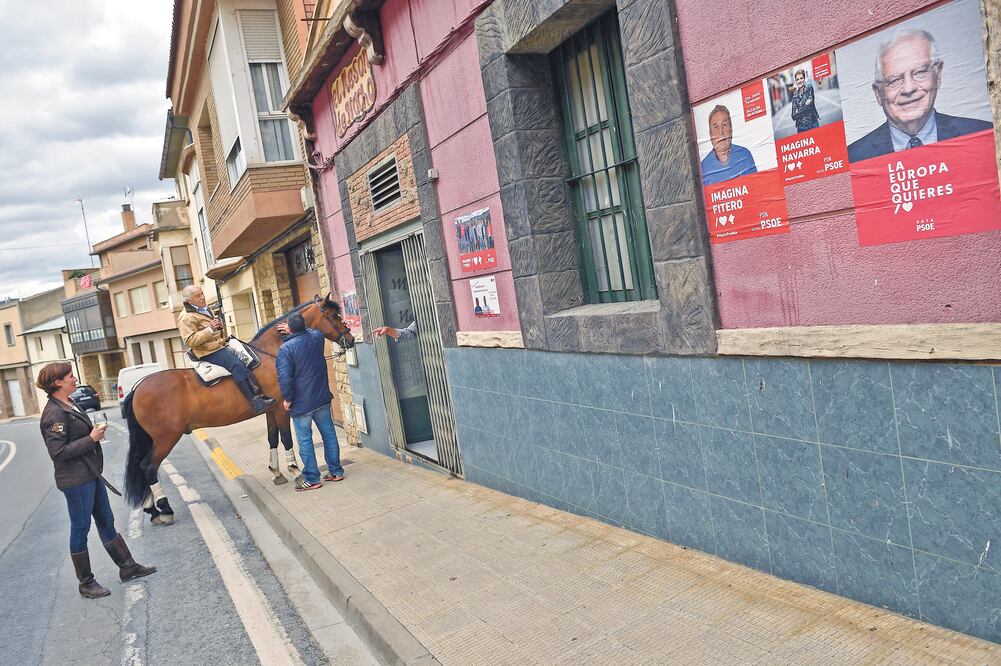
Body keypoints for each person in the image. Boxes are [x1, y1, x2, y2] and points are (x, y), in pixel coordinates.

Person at [37, 362, 156, 599]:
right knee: (80, 529)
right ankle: (86, 583)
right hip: (76, 480)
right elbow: (58, 452)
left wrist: (93, 437)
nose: (74, 378)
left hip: (90, 474)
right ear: (57, 382)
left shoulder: (69, 403)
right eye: (69, 376)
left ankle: (128, 567)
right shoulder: (54, 413)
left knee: (106, 521)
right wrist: (91, 438)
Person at [848, 28, 992, 162]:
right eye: (894, 80)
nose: (908, 88)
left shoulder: (983, 134)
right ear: (878, 93)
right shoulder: (855, 156)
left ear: (938, 74)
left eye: (920, 72)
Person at [177, 285, 275, 415]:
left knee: (248, 356)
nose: (202, 297)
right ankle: (255, 401)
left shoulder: (203, 309)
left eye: (202, 293)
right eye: (198, 295)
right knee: (236, 365)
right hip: (208, 352)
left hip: (220, 345)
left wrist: (219, 327)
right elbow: (190, 341)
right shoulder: (186, 317)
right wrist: (210, 329)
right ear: (189, 301)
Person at [276, 312, 345, 492]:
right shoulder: (317, 337)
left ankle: (313, 479)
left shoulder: (285, 350)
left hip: (301, 404)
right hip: (321, 398)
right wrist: (295, 329)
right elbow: (310, 330)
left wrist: (288, 400)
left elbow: (285, 379)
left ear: (289, 329)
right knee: (329, 435)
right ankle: (336, 471)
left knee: (305, 441)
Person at [700, 105, 758, 186]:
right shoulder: (704, 167)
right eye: (716, 127)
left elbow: (756, 189)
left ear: (731, 129)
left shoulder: (744, 155)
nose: (721, 132)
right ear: (710, 134)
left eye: (724, 125)